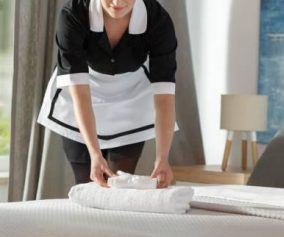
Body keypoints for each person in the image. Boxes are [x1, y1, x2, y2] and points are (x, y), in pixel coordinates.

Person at [37, 0, 178, 188]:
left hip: (131, 97)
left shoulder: (158, 20)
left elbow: (164, 96)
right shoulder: (74, 14)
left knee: (120, 187)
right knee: (87, 184)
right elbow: (80, 93)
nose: (118, 2)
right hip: (83, 92)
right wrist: (95, 153)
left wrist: (163, 158)